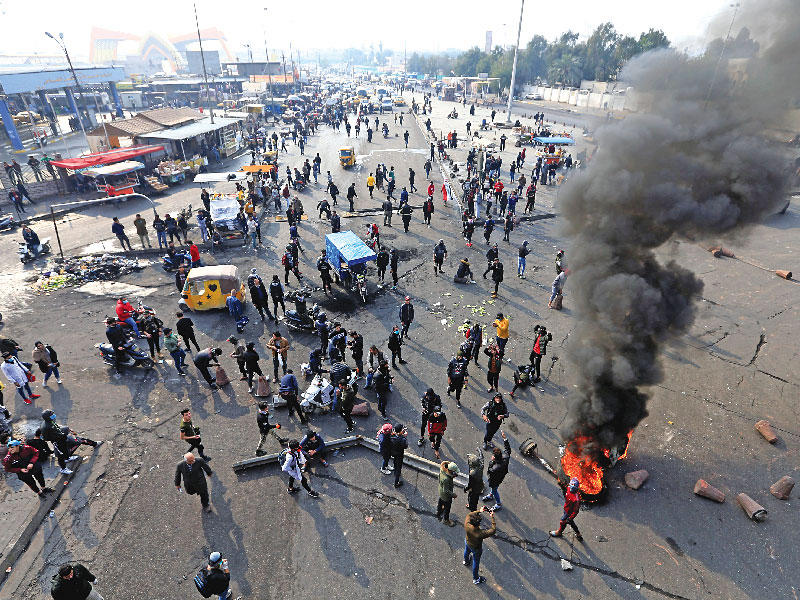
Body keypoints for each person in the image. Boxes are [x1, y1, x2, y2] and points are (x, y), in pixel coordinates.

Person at [463, 506, 497, 585]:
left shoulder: (467, 524)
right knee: (476, 562)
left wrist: (479, 511)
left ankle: (466, 561)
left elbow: (469, 514)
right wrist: (492, 518)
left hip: (467, 542)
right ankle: (476, 578)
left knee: (466, 551)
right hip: (476, 548)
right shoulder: (480, 534)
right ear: (478, 524)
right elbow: (493, 530)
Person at [550, 477, 583, 541]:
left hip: (569, 513)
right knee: (571, 523)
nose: (570, 489)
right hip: (566, 508)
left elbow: (576, 511)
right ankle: (578, 534)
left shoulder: (576, 499)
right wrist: (561, 484)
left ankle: (559, 532)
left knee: (562, 521)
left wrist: (570, 518)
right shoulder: (568, 488)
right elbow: (565, 491)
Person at [437, 461, 460, 526]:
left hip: (441, 491)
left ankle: (439, 511)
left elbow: (442, 464)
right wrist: (453, 495)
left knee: (440, 501)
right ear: (451, 471)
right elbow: (446, 491)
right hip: (446, 496)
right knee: (447, 508)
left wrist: (447, 462)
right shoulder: (446, 479)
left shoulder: (442, 470)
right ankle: (446, 520)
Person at [464, 447, 485, 512]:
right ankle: (473, 507)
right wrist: (479, 450)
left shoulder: (472, 473)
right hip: (480, 486)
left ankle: (472, 510)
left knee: (471, 498)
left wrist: (466, 488)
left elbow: (470, 484)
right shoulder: (480, 464)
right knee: (476, 499)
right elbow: (481, 457)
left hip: (474, 489)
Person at [388, 423, 408, 488]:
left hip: (393, 453)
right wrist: (404, 437)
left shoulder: (391, 436)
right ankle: (396, 483)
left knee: (395, 462)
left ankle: (395, 471)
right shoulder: (402, 439)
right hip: (399, 454)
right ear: (400, 431)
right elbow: (405, 446)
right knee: (398, 468)